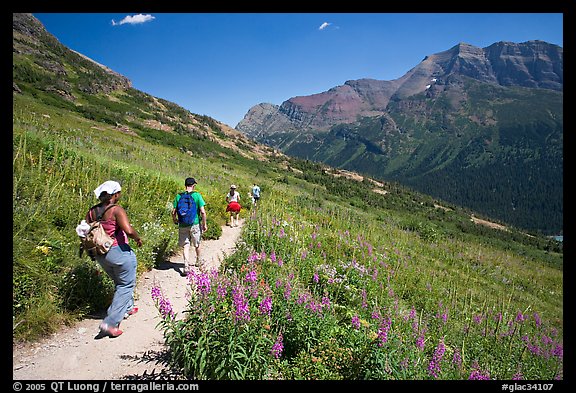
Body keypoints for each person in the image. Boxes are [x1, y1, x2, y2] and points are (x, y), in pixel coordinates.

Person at [87, 180, 143, 338]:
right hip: (118, 250)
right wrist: (138, 239)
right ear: (115, 194)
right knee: (126, 285)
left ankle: (128, 307)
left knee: (120, 282)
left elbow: (87, 230)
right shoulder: (116, 210)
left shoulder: (92, 211)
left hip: (101, 254)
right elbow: (128, 230)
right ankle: (110, 323)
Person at [172, 177, 207, 276]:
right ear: (194, 185)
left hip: (182, 224)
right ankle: (199, 262)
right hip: (194, 224)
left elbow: (173, 212)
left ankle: (186, 266)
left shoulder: (179, 196)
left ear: (185, 185)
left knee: (186, 245)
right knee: (197, 244)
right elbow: (203, 212)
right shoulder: (197, 195)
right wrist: (204, 224)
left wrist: (175, 220)